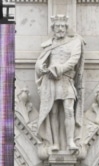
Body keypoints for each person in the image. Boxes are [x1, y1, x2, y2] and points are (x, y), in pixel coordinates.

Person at [35, 16, 84, 153]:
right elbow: (40, 62)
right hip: (51, 81)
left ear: (66, 28)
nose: (60, 29)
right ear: (53, 28)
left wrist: (59, 69)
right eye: (58, 26)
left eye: (63, 26)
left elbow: (74, 59)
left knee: (69, 109)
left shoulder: (75, 42)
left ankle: (70, 141)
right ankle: (55, 142)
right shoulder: (48, 45)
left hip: (66, 79)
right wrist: (42, 68)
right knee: (54, 111)